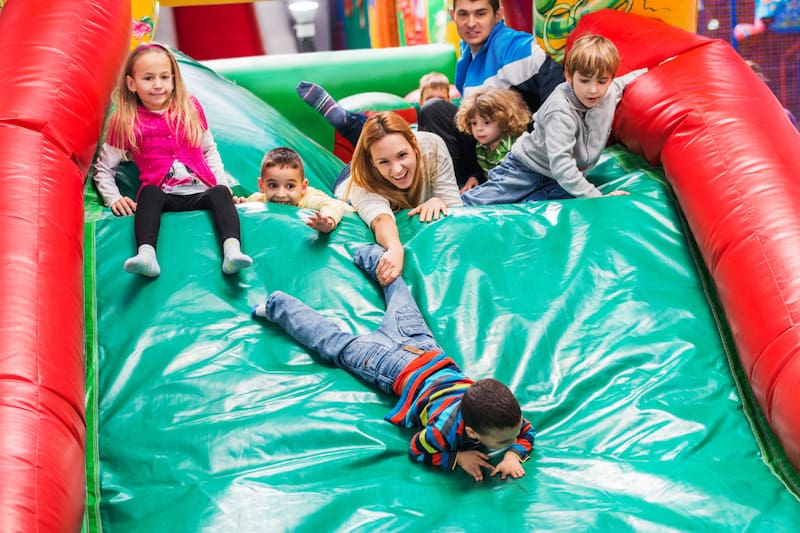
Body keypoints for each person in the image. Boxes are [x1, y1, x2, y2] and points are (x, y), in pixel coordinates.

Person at [251, 243, 536, 482]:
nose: (512, 440)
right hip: (386, 365)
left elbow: (525, 431)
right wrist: (456, 456)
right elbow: (418, 448)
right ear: (471, 433)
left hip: (424, 349)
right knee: (333, 344)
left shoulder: (505, 420)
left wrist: (512, 454)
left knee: (401, 298)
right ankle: (279, 306)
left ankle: (372, 254)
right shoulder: (445, 430)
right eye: (503, 442)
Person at [93, 42, 251, 277]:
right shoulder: (126, 120)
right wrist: (113, 198)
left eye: (164, 77)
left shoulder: (190, 108)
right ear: (131, 84)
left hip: (201, 192)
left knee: (219, 193)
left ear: (174, 79)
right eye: (148, 78)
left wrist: (223, 187)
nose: (158, 85)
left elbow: (209, 151)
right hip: (164, 196)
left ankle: (231, 252)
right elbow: (104, 168)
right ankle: (146, 255)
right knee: (148, 194)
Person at [461, 34, 647, 205]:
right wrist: (596, 198)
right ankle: (447, 208)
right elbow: (562, 165)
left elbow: (626, 80)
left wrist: (661, 65)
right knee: (485, 200)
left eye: (601, 81)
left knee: (531, 207)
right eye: (584, 80)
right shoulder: (560, 111)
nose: (593, 90)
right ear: (569, 76)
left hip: (556, 178)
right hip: (527, 167)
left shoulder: (609, 92)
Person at [417, 0, 566, 188]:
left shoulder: (518, 49)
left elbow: (558, 94)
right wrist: (476, 174)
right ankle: (456, 186)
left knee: (435, 109)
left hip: (522, 153)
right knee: (434, 110)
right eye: (463, 14)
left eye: (480, 14)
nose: (471, 23)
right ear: (453, 15)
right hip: (486, 148)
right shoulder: (467, 54)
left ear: (498, 15)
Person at [336, 112, 462, 286]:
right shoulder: (362, 182)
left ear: (414, 146)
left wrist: (439, 201)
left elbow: (455, 207)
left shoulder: (432, 146)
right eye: (384, 162)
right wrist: (395, 248)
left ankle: (347, 122)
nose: (396, 169)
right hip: (348, 177)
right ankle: (347, 124)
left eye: (402, 155)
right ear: (373, 163)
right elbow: (381, 219)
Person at [235, 146, 351, 233]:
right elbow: (248, 203)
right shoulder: (259, 199)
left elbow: (335, 205)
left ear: (303, 187)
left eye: (290, 186)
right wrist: (241, 204)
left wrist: (329, 220)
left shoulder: (308, 199)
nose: (281, 194)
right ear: (261, 185)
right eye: (273, 185)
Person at [454, 87, 530, 192]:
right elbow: (488, 172)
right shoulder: (482, 146)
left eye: (487, 122)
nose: (479, 129)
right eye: (474, 123)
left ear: (504, 121)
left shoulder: (510, 148)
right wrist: (476, 177)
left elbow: (507, 184)